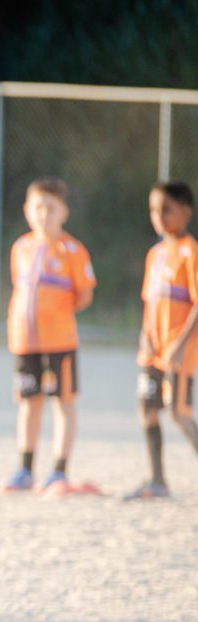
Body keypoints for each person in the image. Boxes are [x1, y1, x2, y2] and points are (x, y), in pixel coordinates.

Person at [2, 177, 96, 494]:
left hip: (59, 341)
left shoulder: (73, 250)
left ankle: (59, 471)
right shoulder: (21, 248)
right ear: (27, 210)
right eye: (38, 207)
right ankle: (25, 470)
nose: (44, 214)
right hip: (24, 341)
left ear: (64, 212)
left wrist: (56, 314)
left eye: (51, 208)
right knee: (29, 403)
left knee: (63, 403)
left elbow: (84, 295)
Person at [125, 181, 198, 499]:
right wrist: (145, 335)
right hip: (152, 350)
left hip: (178, 350)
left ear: (186, 213)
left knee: (179, 414)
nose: (158, 216)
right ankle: (157, 481)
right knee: (147, 410)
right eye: (154, 209)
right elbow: (150, 300)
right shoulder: (154, 254)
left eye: (166, 209)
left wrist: (181, 342)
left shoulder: (190, 252)